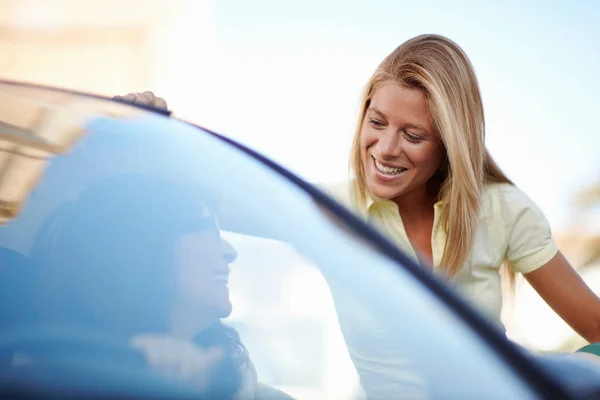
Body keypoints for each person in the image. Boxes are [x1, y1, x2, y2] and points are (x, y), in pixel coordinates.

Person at [118, 33, 600, 395]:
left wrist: (556, 376)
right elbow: (207, 200)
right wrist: (142, 132)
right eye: (377, 123)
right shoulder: (332, 212)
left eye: (413, 136)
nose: (386, 149)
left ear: (451, 145)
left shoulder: (503, 211)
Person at [31, 174, 257, 399]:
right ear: (145, 248)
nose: (230, 252)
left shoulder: (240, 384)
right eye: (210, 231)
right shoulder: (57, 386)